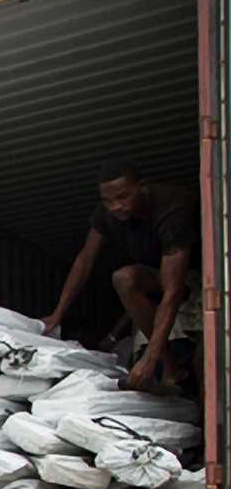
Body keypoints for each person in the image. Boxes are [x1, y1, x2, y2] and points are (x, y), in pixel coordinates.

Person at [42, 158, 202, 392]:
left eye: (123, 197)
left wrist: (150, 357)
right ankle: (171, 368)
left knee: (204, 360)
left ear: (142, 187)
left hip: (203, 275)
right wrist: (57, 314)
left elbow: (173, 291)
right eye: (108, 201)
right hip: (161, 272)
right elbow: (85, 259)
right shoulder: (107, 214)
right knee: (124, 278)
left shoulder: (172, 210)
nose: (115, 206)